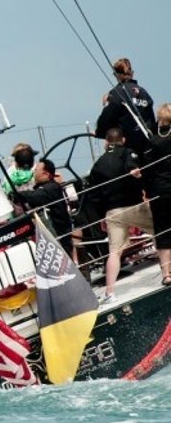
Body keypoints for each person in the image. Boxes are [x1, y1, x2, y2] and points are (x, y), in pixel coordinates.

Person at [89, 128, 147, 303]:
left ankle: (110, 292)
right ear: (123, 139)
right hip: (134, 207)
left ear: (107, 142)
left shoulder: (98, 164)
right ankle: (166, 270)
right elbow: (132, 168)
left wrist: (102, 216)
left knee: (114, 252)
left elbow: (94, 195)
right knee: (161, 230)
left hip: (112, 212)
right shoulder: (128, 152)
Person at [12, 158, 75, 256]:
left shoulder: (52, 188)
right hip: (51, 238)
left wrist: (17, 195)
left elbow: (36, 197)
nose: (34, 172)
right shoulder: (46, 188)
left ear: (46, 174)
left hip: (59, 238)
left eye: (36, 170)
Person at [96, 57, 156, 149]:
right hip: (147, 146)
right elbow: (151, 120)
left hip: (126, 148)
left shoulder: (116, 93)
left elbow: (105, 120)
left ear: (116, 75)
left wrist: (99, 133)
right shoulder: (144, 93)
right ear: (132, 73)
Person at [141, 103, 171, 285]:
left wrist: (148, 192)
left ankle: (167, 274)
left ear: (160, 119)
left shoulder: (152, 142)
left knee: (162, 230)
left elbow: (147, 171)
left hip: (159, 191)